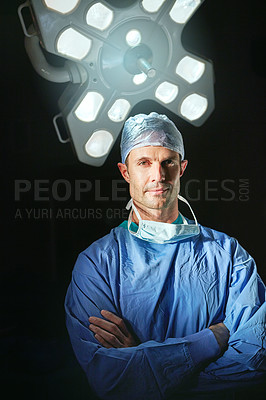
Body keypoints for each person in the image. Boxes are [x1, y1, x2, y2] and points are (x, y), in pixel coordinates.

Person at [65, 112, 265, 400]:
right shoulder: (97, 264)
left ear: (181, 168)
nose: (157, 175)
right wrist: (214, 338)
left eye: (167, 162)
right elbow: (109, 379)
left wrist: (147, 365)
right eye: (144, 163)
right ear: (126, 172)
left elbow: (255, 361)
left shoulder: (228, 255)